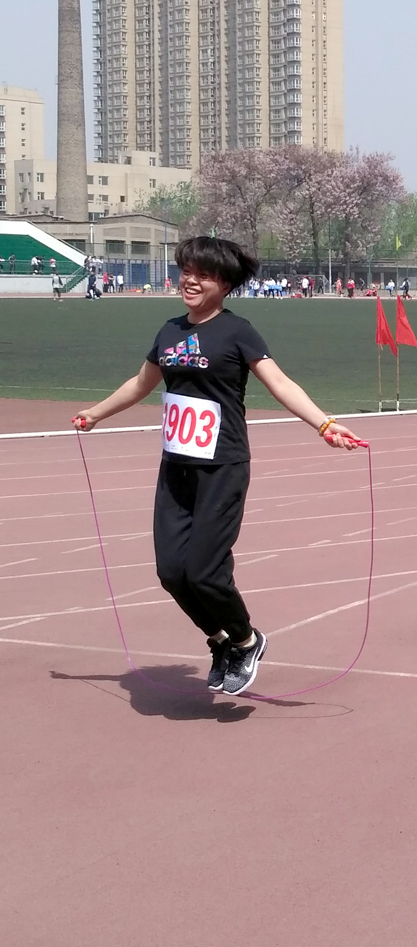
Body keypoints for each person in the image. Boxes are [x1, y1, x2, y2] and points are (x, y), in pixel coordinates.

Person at [71, 237, 365, 696]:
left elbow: (280, 383)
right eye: (186, 271)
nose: (190, 281)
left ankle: (246, 641)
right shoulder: (169, 331)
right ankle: (221, 639)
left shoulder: (236, 331)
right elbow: (141, 383)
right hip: (176, 468)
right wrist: (95, 413)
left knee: (205, 571)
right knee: (172, 572)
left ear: (224, 285)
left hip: (222, 465)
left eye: (203, 275)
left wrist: (323, 424)